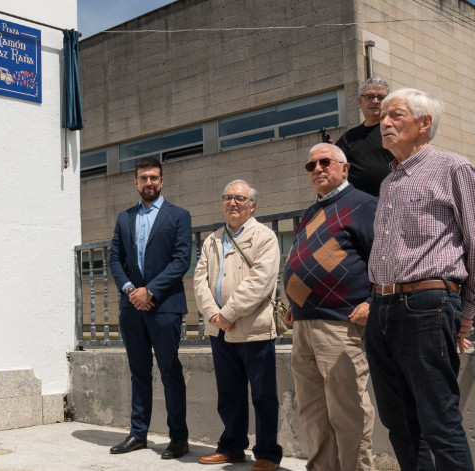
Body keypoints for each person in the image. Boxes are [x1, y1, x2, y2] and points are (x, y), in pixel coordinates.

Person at [367, 89, 475, 470]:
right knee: (398, 422)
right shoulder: (389, 182)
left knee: (438, 419)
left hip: (426, 304)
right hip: (381, 307)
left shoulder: (453, 168)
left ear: (424, 123)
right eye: (383, 118)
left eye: (396, 115)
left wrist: (467, 311)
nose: (385, 123)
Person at [283, 143, 376, 471]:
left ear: (345, 168)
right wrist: (294, 302)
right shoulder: (310, 212)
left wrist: (371, 302)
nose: (318, 169)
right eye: (311, 166)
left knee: (348, 410)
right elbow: (304, 260)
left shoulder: (364, 205)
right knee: (312, 412)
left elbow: (384, 259)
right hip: (303, 325)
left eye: (325, 162)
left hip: (341, 323)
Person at [193, 179, 283, 471]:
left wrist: (229, 313)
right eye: (228, 197)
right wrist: (214, 314)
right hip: (219, 329)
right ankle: (232, 447)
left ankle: (268, 453)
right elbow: (200, 281)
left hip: (253, 327)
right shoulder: (212, 239)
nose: (233, 203)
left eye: (240, 199)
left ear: (253, 205)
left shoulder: (265, 237)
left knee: (262, 394)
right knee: (229, 393)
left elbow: (261, 281)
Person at [108, 156, 192, 460]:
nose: (148, 183)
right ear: (135, 182)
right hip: (131, 306)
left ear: (162, 180)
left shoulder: (179, 216)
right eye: (143, 178)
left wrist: (151, 290)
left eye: (154, 177)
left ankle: (178, 438)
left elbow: (182, 260)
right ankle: (138, 434)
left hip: (165, 306)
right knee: (138, 371)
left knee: (170, 370)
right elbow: (115, 259)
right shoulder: (124, 218)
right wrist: (131, 290)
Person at [335, 76, 395, 197]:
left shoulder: (397, 130)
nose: (375, 101)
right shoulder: (349, 138)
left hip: (393, 202)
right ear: (360, 102)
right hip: (359, 206)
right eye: (370, 97)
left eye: (381, 97)